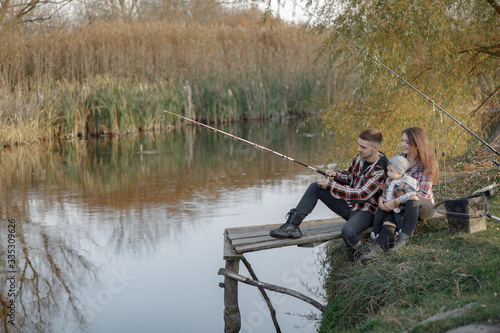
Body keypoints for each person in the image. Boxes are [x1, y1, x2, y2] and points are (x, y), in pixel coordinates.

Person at [269, 128, 388, 262]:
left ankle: (359, 261)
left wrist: (331, 185)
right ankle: (292, 226)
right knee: (316, 187)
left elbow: (362, 194)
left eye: (363, 147)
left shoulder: (381, 169)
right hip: (350, 206)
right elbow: (349, 175)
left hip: (366, 211)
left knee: (347, 232)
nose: (358, 149)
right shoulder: (360, 157)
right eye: (359, 145)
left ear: (375, 148)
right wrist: (335, 174)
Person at [374, 127, 438, 254]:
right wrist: (382, 197)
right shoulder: (398, 159)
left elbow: (422, 194)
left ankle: (402, 242)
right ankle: (376, 251)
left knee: (412, 200)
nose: (403, 144)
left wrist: (397, 201)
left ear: (417, 144)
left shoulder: (427, 164)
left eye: (407, 142)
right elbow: (389, 182)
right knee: (388, 221)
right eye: (402, 141)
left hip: (422, 206)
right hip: (400, 206)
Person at [360, 155, 419, 261]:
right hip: (387, 207)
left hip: (399, 208)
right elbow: (385, 191)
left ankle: (398, 242)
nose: (388, 173)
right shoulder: (389, 180)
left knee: (394, 220)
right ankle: (376, 247)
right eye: (388, 170)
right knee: (381, 220)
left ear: (399, 171)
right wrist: (381, 197)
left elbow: (412, 194)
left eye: (391, 171)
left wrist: (397, 201)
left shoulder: (407, 182)